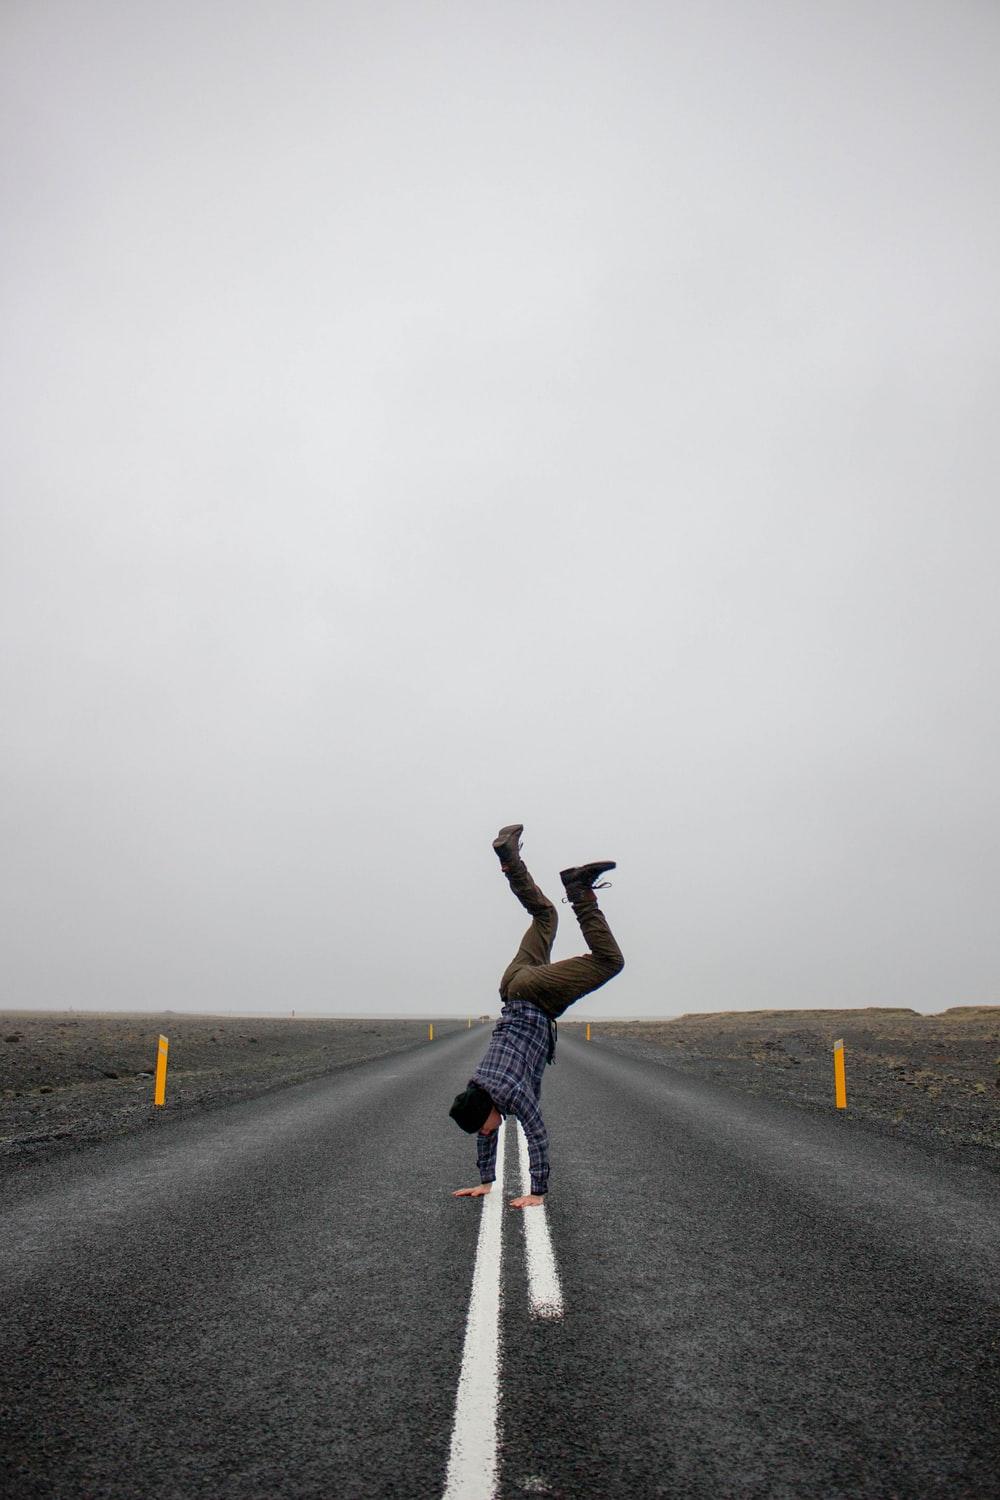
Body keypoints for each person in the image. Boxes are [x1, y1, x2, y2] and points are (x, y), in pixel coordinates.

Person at [448, 823, 625, 1209]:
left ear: (486, 1110)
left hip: (533, 996)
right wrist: (486, 1181)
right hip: (512, 985)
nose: (484, 1132)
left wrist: (537, 1192)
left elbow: (537, 1134)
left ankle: (579, 889)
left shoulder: (510, 1094)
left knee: (610, 961)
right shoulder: (479, 1087)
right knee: (545, 916)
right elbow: (487, 1131)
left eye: (481, 1125)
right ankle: (509, 858)